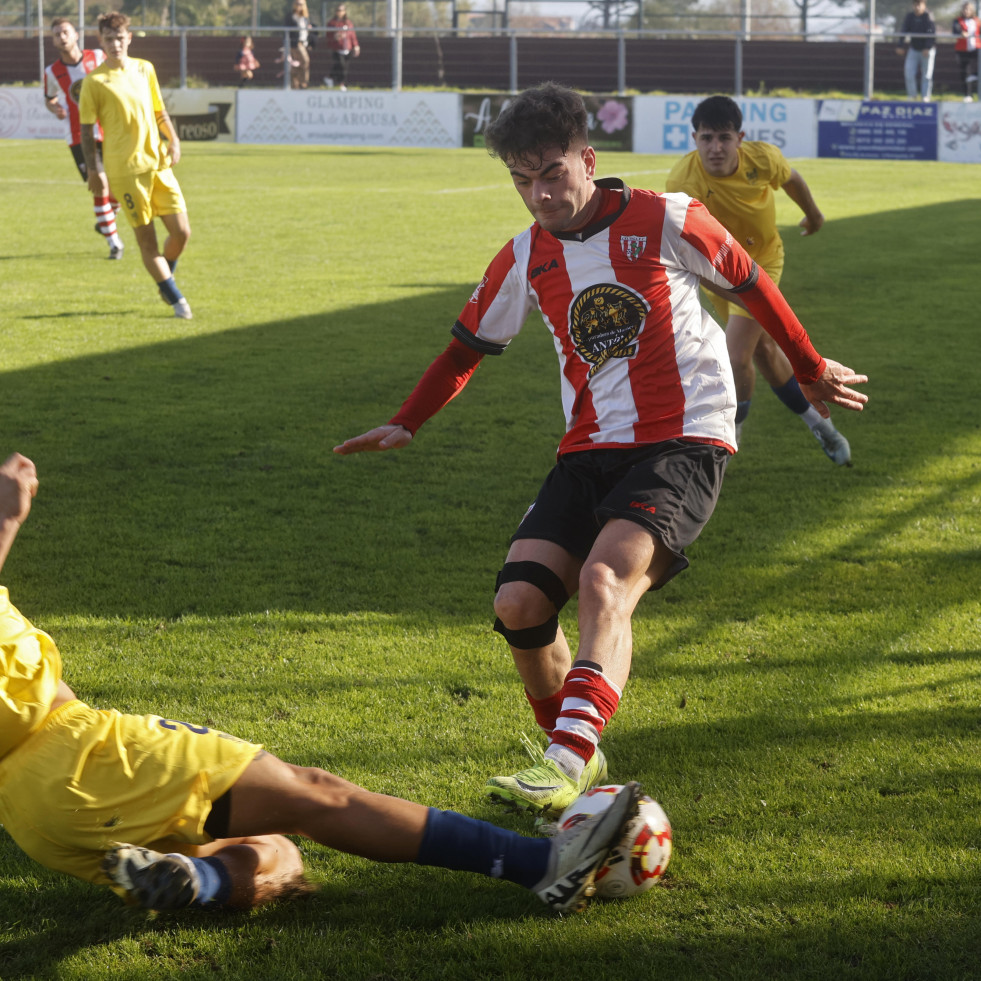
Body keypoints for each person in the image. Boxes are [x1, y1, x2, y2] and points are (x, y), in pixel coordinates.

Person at [334, 83, 869, 821]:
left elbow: (751, 286)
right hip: (588, 446)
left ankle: (566, 756)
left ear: (587, 160)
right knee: (518, 603)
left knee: (605, 578)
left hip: (684, 436)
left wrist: (808, 367)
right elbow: (466, 349)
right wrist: (408, 420)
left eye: (551, 173)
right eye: (522, 181)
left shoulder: (665, 217)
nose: (538, 195)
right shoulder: (525, 255)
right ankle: (572, 752)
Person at [0, 451, 640, 915]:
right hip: (80, 753)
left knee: (277, 851)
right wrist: (7, 518)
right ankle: (544, 866)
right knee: (314, 796)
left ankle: (203, 881)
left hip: (32, 815)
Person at [665, 95, 851, 464]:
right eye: (706, 138)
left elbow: (792, 179)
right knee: (764, 351)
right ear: (694, 138)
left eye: (724, 137)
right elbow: (682, 248)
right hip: (717, 272)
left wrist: (813, 216)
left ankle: (731, 437)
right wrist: (733, 292)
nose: (715, 148)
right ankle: (823, 429)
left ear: (740, 137)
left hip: (763, 261)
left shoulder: (762, 158)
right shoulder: (682, 181)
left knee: (735, 355)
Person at [79, 12, 192, 320]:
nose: (115, 44)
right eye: (108, 39)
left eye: (119, 38)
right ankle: (176, 299)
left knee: (182, 233)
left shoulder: (145, 69)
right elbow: (87, 130)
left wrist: (174, 140)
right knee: (147, 241)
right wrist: (94, 169)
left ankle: (164, 277)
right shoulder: (94, 82)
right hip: (125, 171)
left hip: (158, 164)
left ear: (129, 38)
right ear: (100, 42)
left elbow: (159, 110)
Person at [43, 17, 125, 260]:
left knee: (118, 188)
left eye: (66, 32)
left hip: (110, 130)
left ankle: (105, 222)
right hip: (79, 137)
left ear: (76, 34)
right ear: (53, 40)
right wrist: (54, 108)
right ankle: (114, 243)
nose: (62, 37)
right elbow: (49, 98)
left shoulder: (98, 57)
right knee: (99, 185)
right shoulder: (52, 72)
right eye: (57, 34)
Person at [896, 0, 937, 101]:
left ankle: (925, 96)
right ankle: (912, 95)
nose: (917, 7)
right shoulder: (910, 17)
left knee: (927, 75)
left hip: (927, 50)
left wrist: (927, 47)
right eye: (915, 4)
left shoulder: (928, 16)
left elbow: (932, 33)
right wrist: (900, 45)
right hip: (914, 49)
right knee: (909, 72)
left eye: (919, 4)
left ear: (924, 5)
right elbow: (904, 30)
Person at [325, 4, 359, 91]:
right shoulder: (332, 23)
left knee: (344, 67)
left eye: (341, 10)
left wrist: (356, 45)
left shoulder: (348, 23)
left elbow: (352, 35)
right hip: (337, 48)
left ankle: (331, 78)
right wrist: (335, 36)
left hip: (347, 48)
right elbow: (328, 35)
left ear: (344, 12)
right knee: (341, 65)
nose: (339, 12)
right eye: (338, 10)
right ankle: (340, 83)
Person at [953, 2, 980, 101]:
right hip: (962, 49)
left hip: (976, 48)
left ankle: (975, 75)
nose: (966, 11)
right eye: (964, 9)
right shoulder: (957, 20)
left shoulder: (977, 20)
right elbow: (955, 30)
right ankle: (968, 95)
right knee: (964, 72)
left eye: (968, 9)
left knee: (977, 69)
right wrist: (961, 33)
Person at [286, 0, 313, 89]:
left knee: (297, 65)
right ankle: (303, 83)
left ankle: (295, 85)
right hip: (295, 44)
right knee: (305, 61)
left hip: (304, 43)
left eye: (301, 4)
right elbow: (287, 31)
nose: (299, 6)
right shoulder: (291, 16)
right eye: (297, 4)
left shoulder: (305, 17)